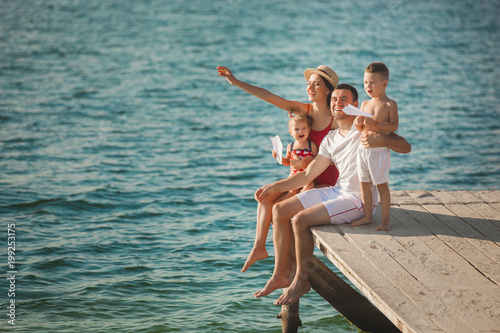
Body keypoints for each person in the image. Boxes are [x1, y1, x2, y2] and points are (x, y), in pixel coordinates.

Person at [253, 84, 411, 306]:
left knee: (300, 219)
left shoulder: (366, 129)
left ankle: (301, 280)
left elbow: (405, 146)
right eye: (335, 99)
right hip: (338, 191)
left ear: (356, 105)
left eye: (344, 99)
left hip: (358, 200)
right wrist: (275, 187)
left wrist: (381, 140)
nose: (338, 103)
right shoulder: (330, 138)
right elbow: (307, 174)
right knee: (279, 209)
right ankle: (280, 273)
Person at [216, 65, 341, 272]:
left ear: (328, 90)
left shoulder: (336, 120)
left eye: (317, 84)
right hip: (300, 179)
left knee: (278, 210)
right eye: (309, 83)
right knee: (264, 197)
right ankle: (260, 248)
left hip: (324, 184)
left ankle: (289, 268)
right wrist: (235, 81)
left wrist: (310, 162)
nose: (310, 87)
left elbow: (339, 158)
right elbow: (269, 96)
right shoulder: (304, 111)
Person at [352, 62, 398, 231]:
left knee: (381, 185)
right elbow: (362, 129)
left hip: (379, 152)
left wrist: (376, 124)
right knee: (364, 183)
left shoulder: (389, 104)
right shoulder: (364, 104)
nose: (367, 86)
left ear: (384, 84)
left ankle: (385, 219)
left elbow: (393, 127)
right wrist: (358, 124)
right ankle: (367, 216)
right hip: (363, 151)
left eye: (372, 82)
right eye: (365, 82)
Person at [274, 114, 318, 193]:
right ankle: (291, 196)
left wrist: (307, 161)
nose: (300, 131)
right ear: (291, 132)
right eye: (296, 129)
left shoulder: (311, 146)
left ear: (309, 130)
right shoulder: (290, 146)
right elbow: (288, 162)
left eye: (303, 128)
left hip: (306, 176)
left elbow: (317, 161)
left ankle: (300, 196)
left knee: (310, 185)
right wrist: (278, 157)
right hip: (293, 176)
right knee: (292, 190)